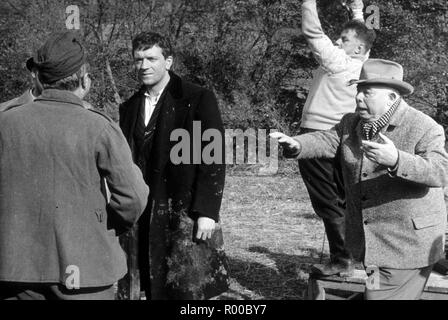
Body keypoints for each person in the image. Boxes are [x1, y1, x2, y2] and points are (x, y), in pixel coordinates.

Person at [272, 59, 448, 300]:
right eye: (358, 90)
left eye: (367, 92)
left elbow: (439, 171)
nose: (358, 97)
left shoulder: (424, 127)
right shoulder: (351, 122)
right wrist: (298, 144)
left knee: (378, 296)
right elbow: (328, 141)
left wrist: (397, 159)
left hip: (407, 246)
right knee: (372, 290)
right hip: (371, 247)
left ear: (392, 97)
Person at [0, 31, 149, 300]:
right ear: (83, 79)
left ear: (39, 77)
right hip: (86, 270)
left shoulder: (5, 122)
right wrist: (106, 226)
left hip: (15, 270)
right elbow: (133, 197)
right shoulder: (99, 126)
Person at [119, 31, 229, 300]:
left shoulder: (196, 98)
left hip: (184, 210)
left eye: (151, 58)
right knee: (147, 283)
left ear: (168, 61)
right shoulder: (129, 107)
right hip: (144, 212)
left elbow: (211, 157)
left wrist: (207, 210)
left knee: (186, 288)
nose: (144, 66)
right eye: (138, 59)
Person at [297, 0, 376, 276]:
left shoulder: (338, 61)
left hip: (317, 137)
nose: (337, 41)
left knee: (328, 202)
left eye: (343, 39)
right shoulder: (365, 67)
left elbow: (313, 33)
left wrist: (308, 2)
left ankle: (342, 261)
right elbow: (362, 35)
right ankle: (357, 258)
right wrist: (357, 9)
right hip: (345, 138)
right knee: (348, 200)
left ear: (357, 48)